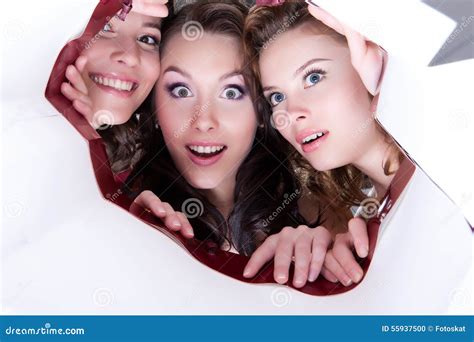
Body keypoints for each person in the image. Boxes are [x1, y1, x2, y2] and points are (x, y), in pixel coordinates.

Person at [243, 1, 409, 286]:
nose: (291, 113)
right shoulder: (362, 230)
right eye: (277, 98)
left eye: (313, 77)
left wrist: (398, 84)